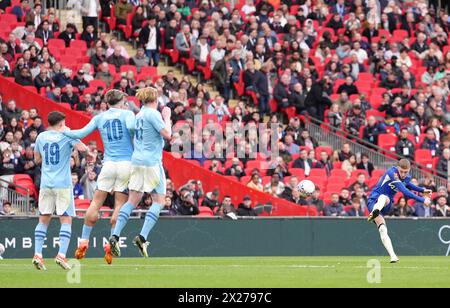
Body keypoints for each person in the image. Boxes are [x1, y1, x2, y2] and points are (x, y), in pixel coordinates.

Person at [64, 90, 135, 264]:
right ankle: (111, 244)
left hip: (108, 165)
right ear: (122, 101)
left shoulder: (99, 117)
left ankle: (83, 241)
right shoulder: (128, 114)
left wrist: (64, 131)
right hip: (126, 164)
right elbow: (134, 129)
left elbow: (80, 134)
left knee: (95, 203)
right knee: (119, 204)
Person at [109, 87, 172, 258]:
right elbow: (168, 134)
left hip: (136, 161)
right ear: (155, 99)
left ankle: (115, 235)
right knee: (159, 201)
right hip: (152, 162)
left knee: (132, 200)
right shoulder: (153, 114)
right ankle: (142, 237)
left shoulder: (138, 116)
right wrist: (167, 117)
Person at [32, 111, 89, 271]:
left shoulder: (41, 137)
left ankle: (38, 254)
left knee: (43, 219)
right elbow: (83, 148)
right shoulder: (67, 134)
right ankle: (61, 255)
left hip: (46, 184)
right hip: (63, 184)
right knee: (66, 220)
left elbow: (36, 160)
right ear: (60, 123)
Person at [367, 159, 432, 263]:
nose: (402, 174)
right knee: (382, 226)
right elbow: (405, 191)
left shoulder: (406, 177)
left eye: (405, 172)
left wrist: (423, 190)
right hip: (374, 200)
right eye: (401, 171)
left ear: (409, 170)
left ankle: (375, 212)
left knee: (383, 225)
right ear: (397, 168)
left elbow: (409, 185)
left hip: (386, 205)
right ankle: (393, 256)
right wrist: (422, 199)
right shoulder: (392, 173)